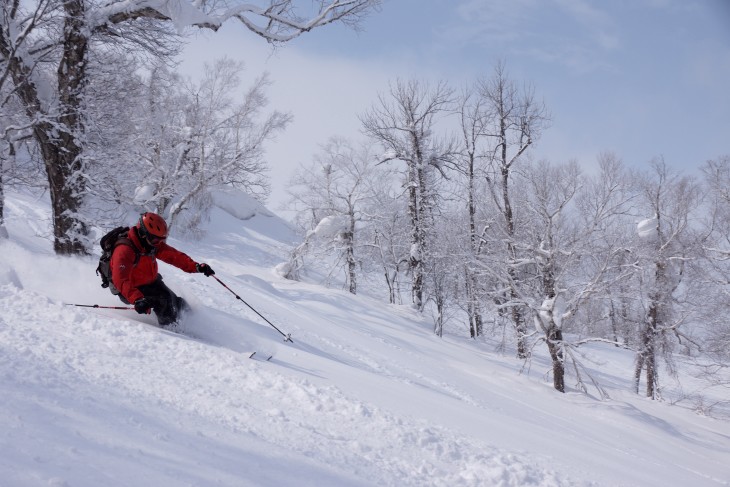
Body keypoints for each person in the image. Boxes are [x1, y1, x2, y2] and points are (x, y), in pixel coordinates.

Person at [110, 212, 215, 326]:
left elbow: (173, 256)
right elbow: (120, 279)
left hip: (151, 282)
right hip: (132, 289)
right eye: (156, 241)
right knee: (164, 303)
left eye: (162, 240)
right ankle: (174, 331)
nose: (159, 244)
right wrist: (137, 299)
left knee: (177, 302)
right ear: (143, 234)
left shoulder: (150, 244)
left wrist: (196, 267)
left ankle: (196, 325)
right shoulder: (124, 250)